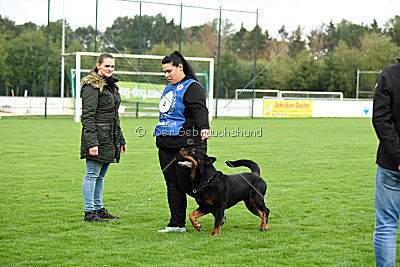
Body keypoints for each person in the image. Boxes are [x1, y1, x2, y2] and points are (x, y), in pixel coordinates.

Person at [154, 51, 213, 233]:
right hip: (165, 143)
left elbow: (200, 109)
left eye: (169, 71)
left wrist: (204, 127)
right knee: (171, 184)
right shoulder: (168, 88)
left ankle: (213, 207)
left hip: (186, 143)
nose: (166, 75)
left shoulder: (192, 87)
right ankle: (176, 224)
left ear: (180, 67)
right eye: (164, 72)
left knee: (188, 184)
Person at [80, 53, 127, 222]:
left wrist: (120, 140)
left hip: (110, 138)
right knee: (91, 174)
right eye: (107, 66)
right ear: (98, 65)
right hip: (97, 138)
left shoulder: (111, 86)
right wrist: (92, 142)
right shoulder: (91, 86)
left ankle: (99, 209)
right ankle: (89, 212)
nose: (110, 69)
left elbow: (114, 116)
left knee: (100, 176)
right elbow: (87, 116)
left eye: (112, 66)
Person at [372, 57, 400, 266]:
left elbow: (381, 118)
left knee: (386, 226)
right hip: (393, 163)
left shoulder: (389, 74)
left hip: (392, 164)